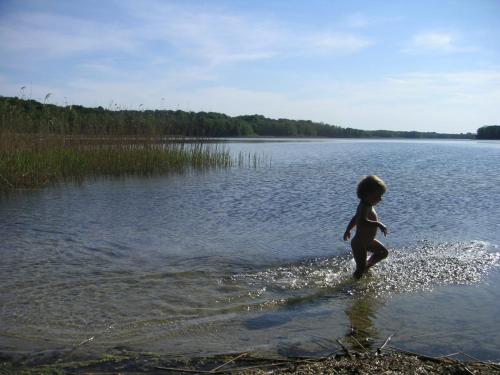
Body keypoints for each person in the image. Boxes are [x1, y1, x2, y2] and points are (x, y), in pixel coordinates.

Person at [343, 175, 388, 279]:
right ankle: (354, 283)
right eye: (378, 196)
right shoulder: (364, 206)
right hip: (359, 243)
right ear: (368, 194)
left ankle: (367, 266)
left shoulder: (367, 205)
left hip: (368, 241)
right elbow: (362, 221)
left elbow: (355, 218)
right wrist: (378, 224)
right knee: (360, 268)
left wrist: (348, 229)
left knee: (383, 253)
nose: (380, 199)